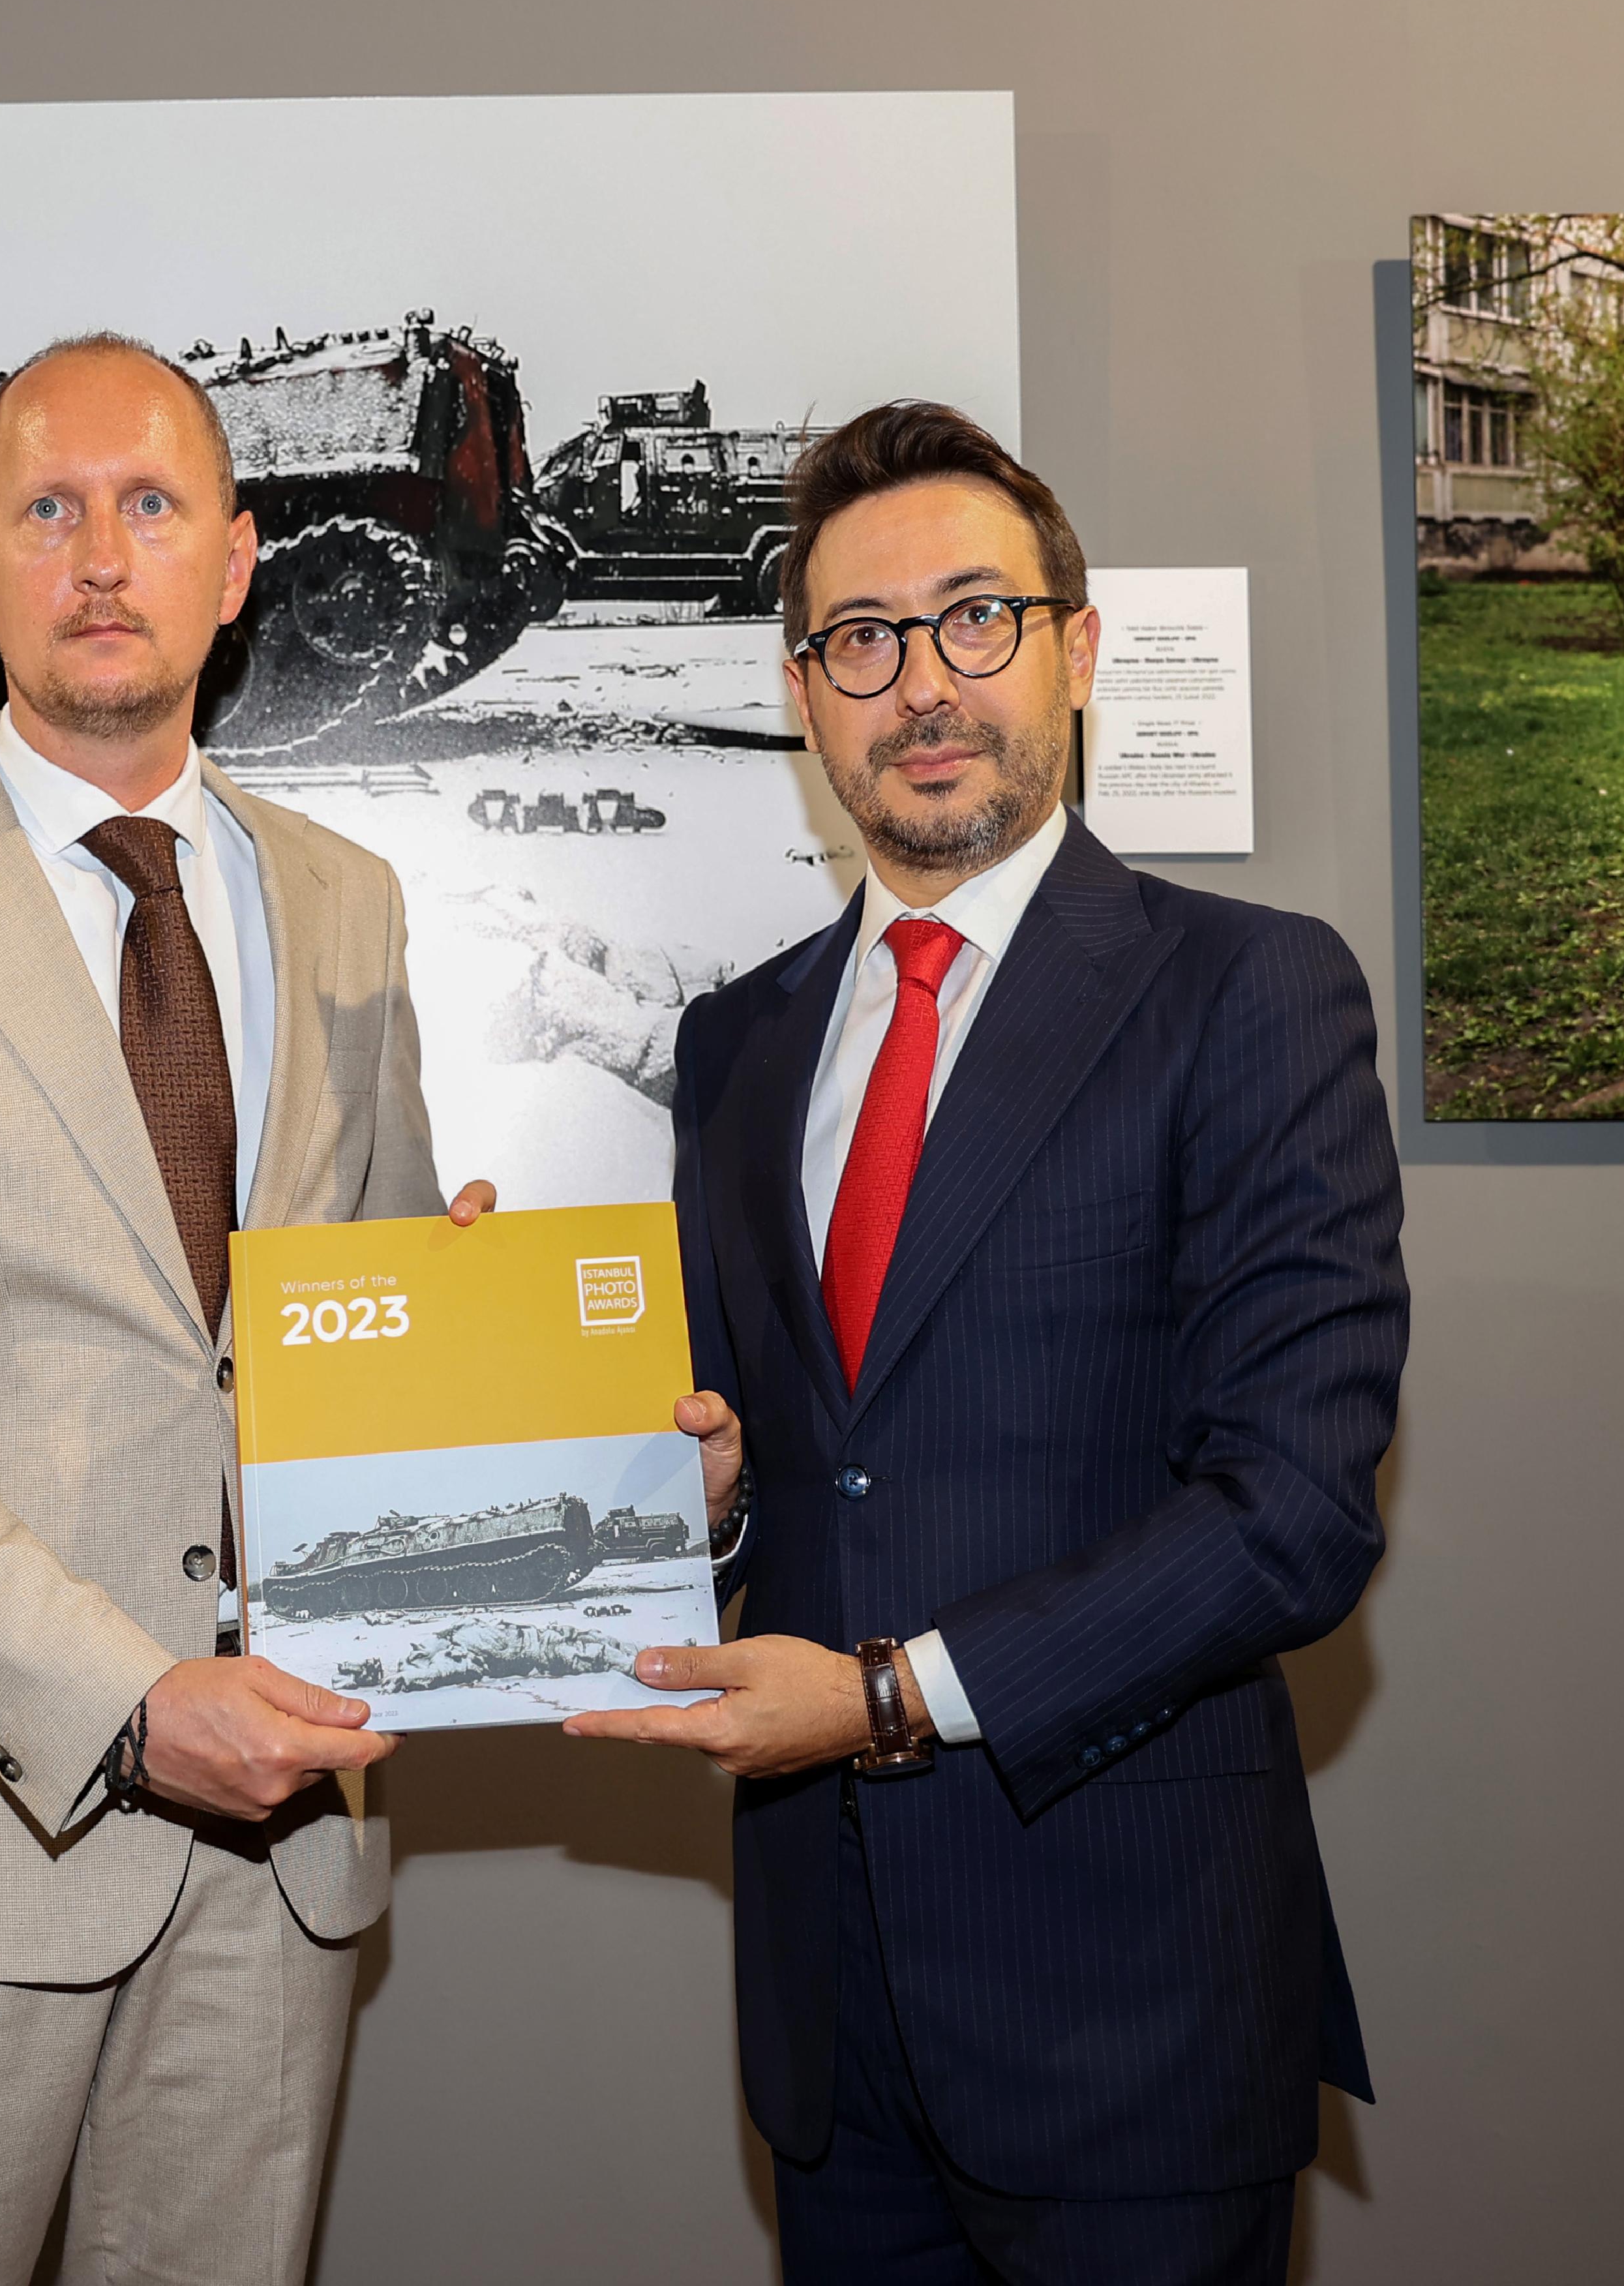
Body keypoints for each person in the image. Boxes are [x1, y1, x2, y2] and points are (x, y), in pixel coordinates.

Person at [565, 402, 1407, 2285]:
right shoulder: (735, 1046)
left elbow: (1291, 1513)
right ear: (805, 696)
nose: (922, 684)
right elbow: (777, 1466)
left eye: (975, 618)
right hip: (831, 2022)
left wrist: (885, 1698)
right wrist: (701, 1498)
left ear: (1075, 650)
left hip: (1132, 2004)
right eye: (862, 639)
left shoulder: (1249, 992)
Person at [0, 333, 490, 2284]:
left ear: (238, 560)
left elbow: (365, 1306)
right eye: (48, 510)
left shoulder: (349, 900)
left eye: (151, 504)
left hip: (281, 1851)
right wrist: (123, 1704)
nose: (102, 554)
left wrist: (509, 1368)